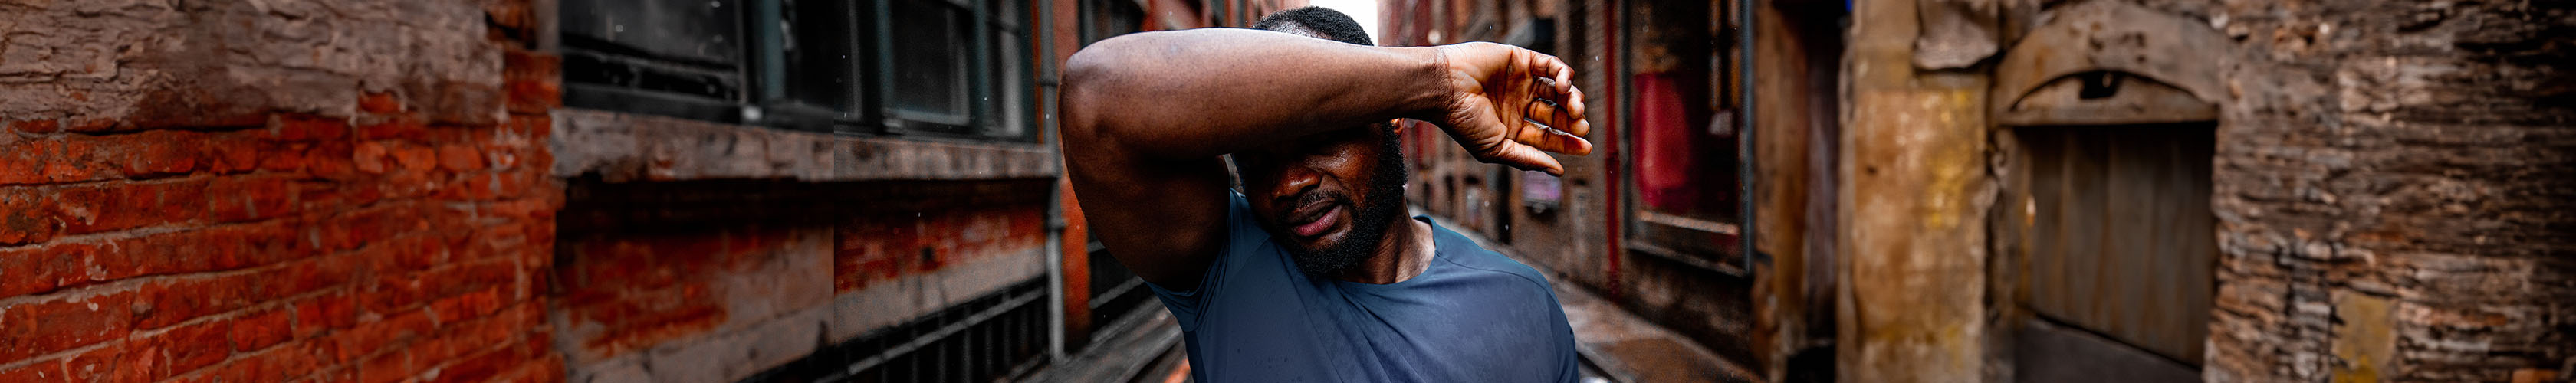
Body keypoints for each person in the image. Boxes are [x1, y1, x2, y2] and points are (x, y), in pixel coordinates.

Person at [1060, 6, 1592, 382]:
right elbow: (1095, 96)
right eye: (1258, 157)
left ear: (1392, 117)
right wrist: (1437, 80)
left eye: (1322, 142)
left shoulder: (1521, 305)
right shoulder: (1221, 267)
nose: (1290, 184)